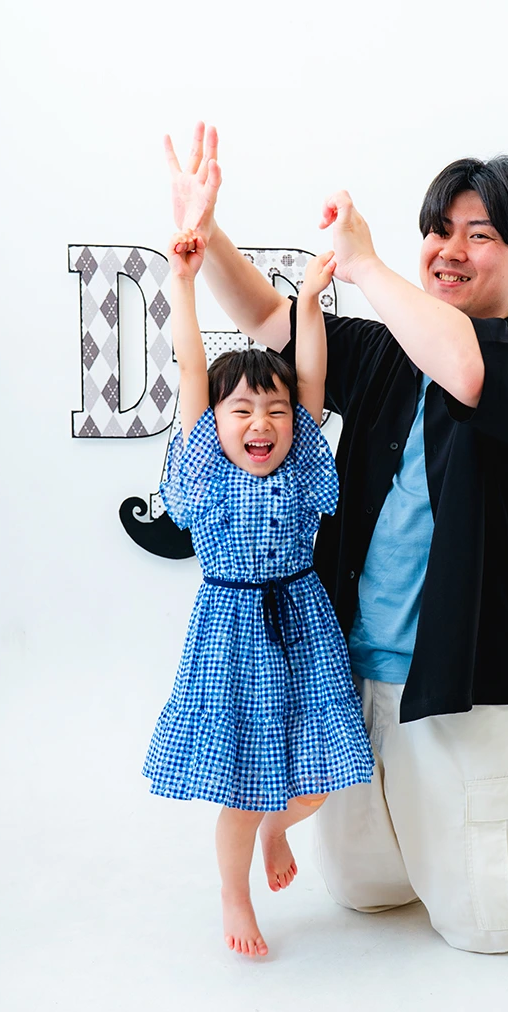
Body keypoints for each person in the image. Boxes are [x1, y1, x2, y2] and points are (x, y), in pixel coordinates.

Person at [163, 122, 508, 954]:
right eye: (439, 230)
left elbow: (467, 370)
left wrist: (365, 265)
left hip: (460, 681)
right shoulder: (387, 352)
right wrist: (207, 231)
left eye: (479, 235)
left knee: (492, 922)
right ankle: (444, 838)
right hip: (353, 671)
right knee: (363, 890)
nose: (449, 250)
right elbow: (264, 317)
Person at [142, 228, 374, 957]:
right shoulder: (206, 466)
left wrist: (308, 303)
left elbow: (311, 381)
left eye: (273, 410)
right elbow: (191, 368)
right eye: (241, 410)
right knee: (243, 788)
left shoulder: (301, 459)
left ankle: (280, 827)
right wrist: (182, 283)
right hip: (233, 632)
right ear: (215, 424)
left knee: (326, 771)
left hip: (302, 622)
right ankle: (234, 894)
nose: (261, 423)